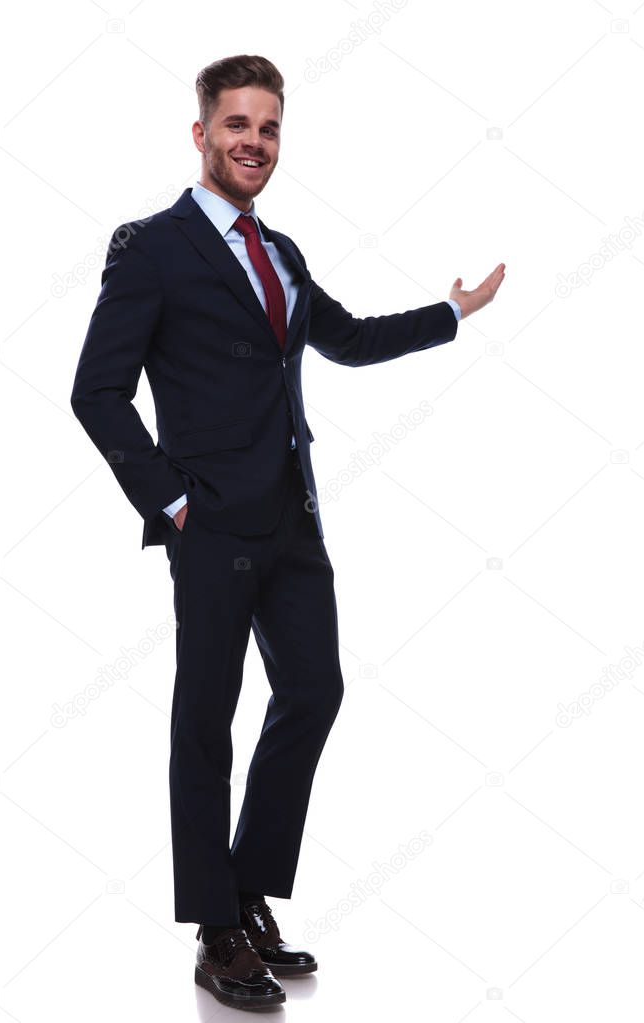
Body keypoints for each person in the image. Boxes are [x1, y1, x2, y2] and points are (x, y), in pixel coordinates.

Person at [70, 53, 505, 1011]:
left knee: (313, 690)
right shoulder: (150, 246)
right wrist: (172, 502)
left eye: (267, 128)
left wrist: (451, 313)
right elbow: (95, 392)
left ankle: (250, 890)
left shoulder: (282, 251)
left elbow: (343, 338)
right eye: (236, 125)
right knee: (206, 720)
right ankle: (213, 928)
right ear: (201, 135)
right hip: (211, 525)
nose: (253, 142)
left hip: (295, 521)